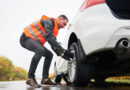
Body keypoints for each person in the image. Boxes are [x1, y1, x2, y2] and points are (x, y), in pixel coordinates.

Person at [20, 15, 73, 87]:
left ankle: (45, 79)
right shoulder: (49, 22)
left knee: (49, 55)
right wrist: (64, 51)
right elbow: (50, 38)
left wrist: (62, 54)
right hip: (25, 38)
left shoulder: (54, 31)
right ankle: (30, 78)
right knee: (40, 50)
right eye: (64, 24)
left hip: (34, 41)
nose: (64, 27)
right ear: (59, 19)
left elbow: (53, 45)